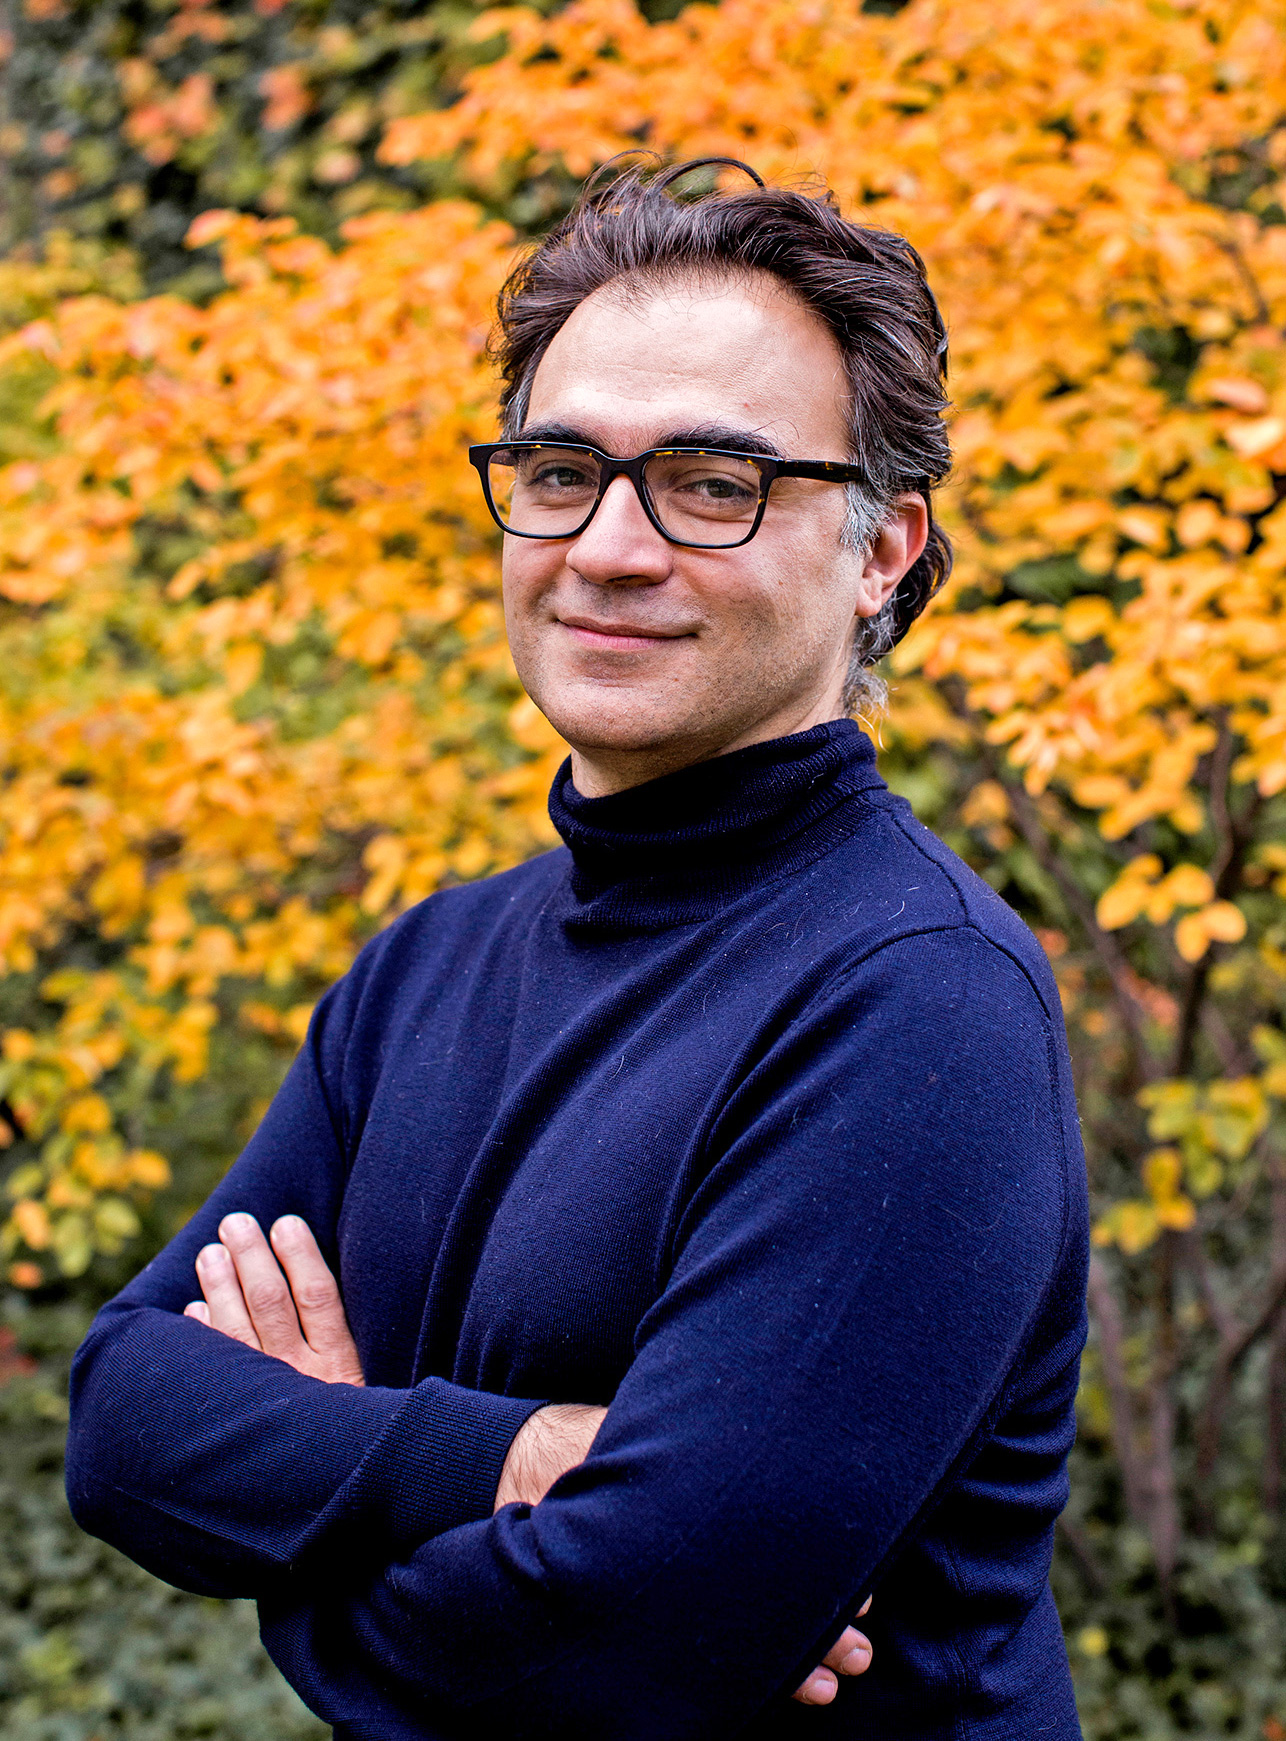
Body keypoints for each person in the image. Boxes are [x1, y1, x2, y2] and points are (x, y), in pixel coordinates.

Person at [66, 159, 1089, 1740]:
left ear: (883, 548)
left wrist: (304, 1514)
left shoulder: (916, 999)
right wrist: (499, 1462)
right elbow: (125, 1420)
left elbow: (612, 1659)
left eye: (710, 482)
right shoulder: (424, 968)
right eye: (560, 468)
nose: (608, 546)